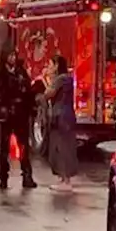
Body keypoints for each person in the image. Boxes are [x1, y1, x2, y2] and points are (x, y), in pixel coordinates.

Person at [0, 51, 37, 190]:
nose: (12, 58)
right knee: (3, 148)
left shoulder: (21, 72)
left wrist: (31, 107)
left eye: (14, 55)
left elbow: (28, 91)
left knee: (24, 146)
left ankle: (27, 176)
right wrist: (0, 106)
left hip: (20, 113)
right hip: (5, 114)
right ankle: (3, 177)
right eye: (10, 55)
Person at [43, 55, 79, 192]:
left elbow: (48, 94)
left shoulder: (59, 79)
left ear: (57, 65)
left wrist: (45, 80)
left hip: (60, 117)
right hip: (67, 116)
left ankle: (65, 180)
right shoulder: (67, 79)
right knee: (64, 146)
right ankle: (63, 178)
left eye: (51, 64)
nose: (49, 68)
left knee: (61, 148)